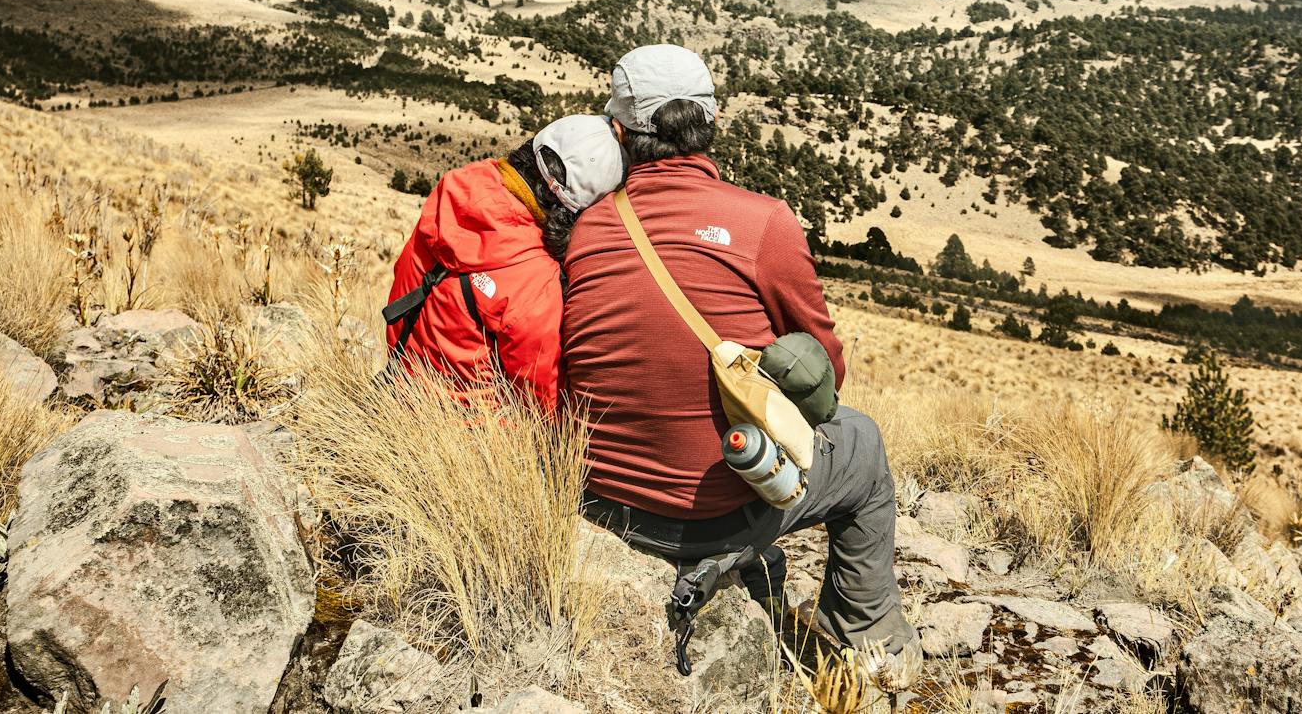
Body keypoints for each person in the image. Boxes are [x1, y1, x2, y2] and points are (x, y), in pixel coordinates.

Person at [560, 45, 921, 684]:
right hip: (724, 510)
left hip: (606, 505)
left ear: (619, 133)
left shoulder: (586, 230)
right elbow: (825, 378)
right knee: (861, 443)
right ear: (709, 125)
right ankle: (863, 638)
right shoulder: (764, 224)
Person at [385, 114, 624, 412]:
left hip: (399, 382)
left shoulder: (456, 192)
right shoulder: (534, 284)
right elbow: (542, 402)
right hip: (468, 432)